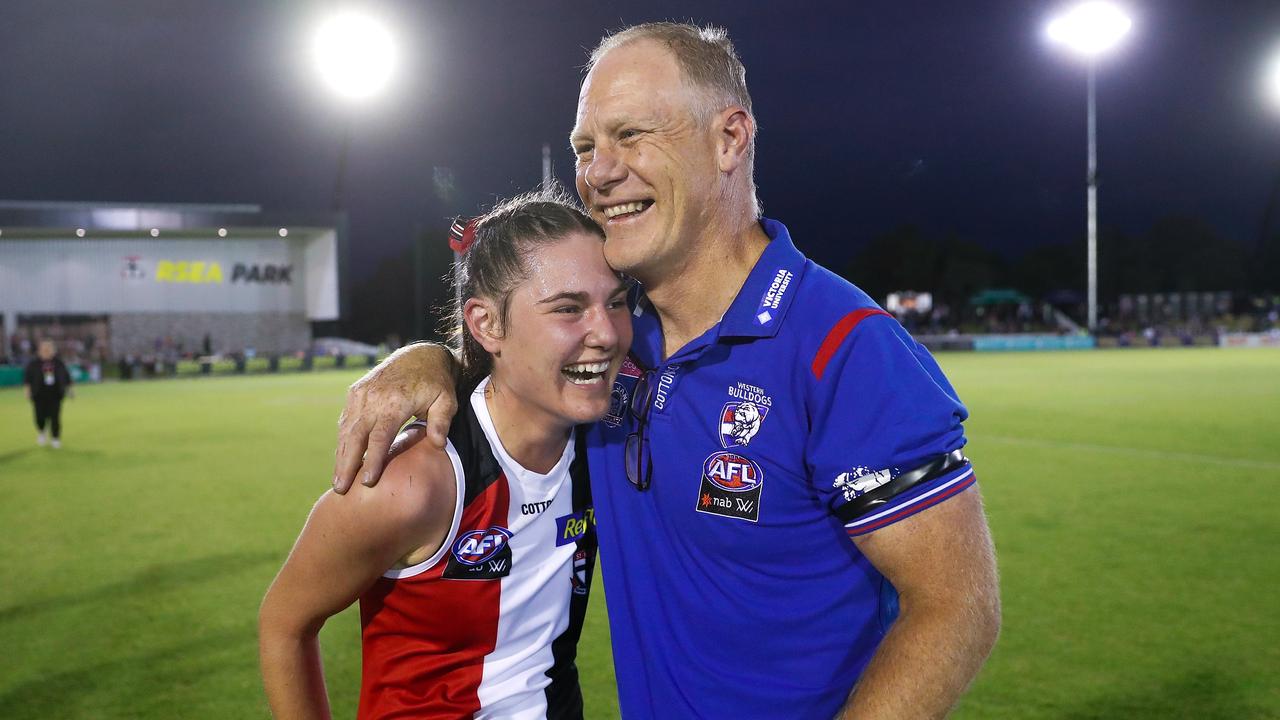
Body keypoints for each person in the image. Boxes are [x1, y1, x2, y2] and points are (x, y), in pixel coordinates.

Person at [332, 23, 1000, 719]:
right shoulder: (610, 337)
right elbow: (509, 368)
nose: (598, 172)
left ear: (730, 139)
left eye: (632, 135)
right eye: (586, 147)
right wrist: (430, 360)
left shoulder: (846, 348)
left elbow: (957, 607)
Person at [259, 193, 633, 719]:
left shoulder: (607, 436)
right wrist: (420, 356)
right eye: (568, 309)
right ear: (487, 325)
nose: (606, 332)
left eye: (617, 302)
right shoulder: (417, 484)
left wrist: (426, 356)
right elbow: (285, 623)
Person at [24, 339, 73, 449]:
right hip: (39, 395)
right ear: (40, 351)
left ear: (53, 350)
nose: (46, 351)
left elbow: (67, 377)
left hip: (55, 395)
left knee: (55, 417)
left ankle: (55, 438)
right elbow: (27, 379)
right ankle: (42, 431)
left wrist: (70, 390)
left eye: (48, 349)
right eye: (44, 349)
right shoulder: (33, 364)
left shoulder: (58, 363)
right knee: (39, 417)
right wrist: (27, 391)